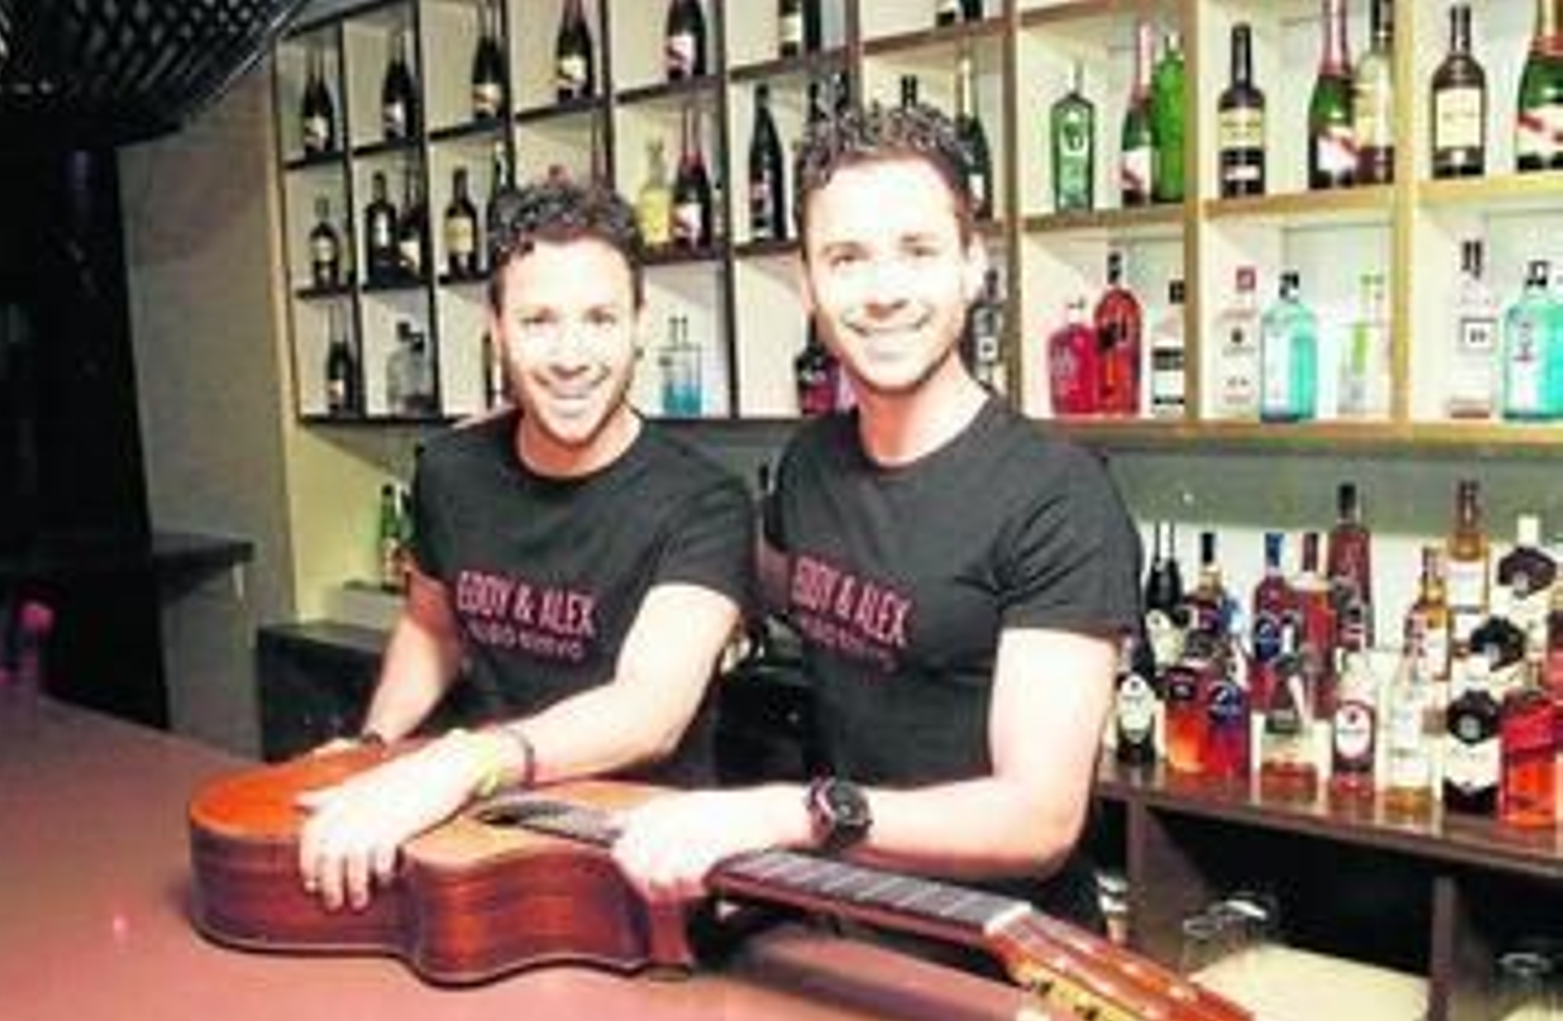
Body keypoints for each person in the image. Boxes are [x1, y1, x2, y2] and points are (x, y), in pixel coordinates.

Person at [612, 101, 1140, 933]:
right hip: (849, 928)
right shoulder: (811, 462)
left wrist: (787, 814)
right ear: (808, 284)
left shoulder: (1056, 497)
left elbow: (1037, 820)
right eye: (847, 258)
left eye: (917, 251)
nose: (884, 292)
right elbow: (745, 573)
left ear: (972, 266)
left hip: (1002, 962)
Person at [298, 180, 754, 912]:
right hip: (486, 839)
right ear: (497, 330)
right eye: (539, 321)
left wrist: (462, 762)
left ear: (639, 325)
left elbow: (651, 708)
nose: (571, 356)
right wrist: (375, 745)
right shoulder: (450, 470)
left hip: (639, 862)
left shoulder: (704, 502)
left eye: (600, 319)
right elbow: (431, 625)